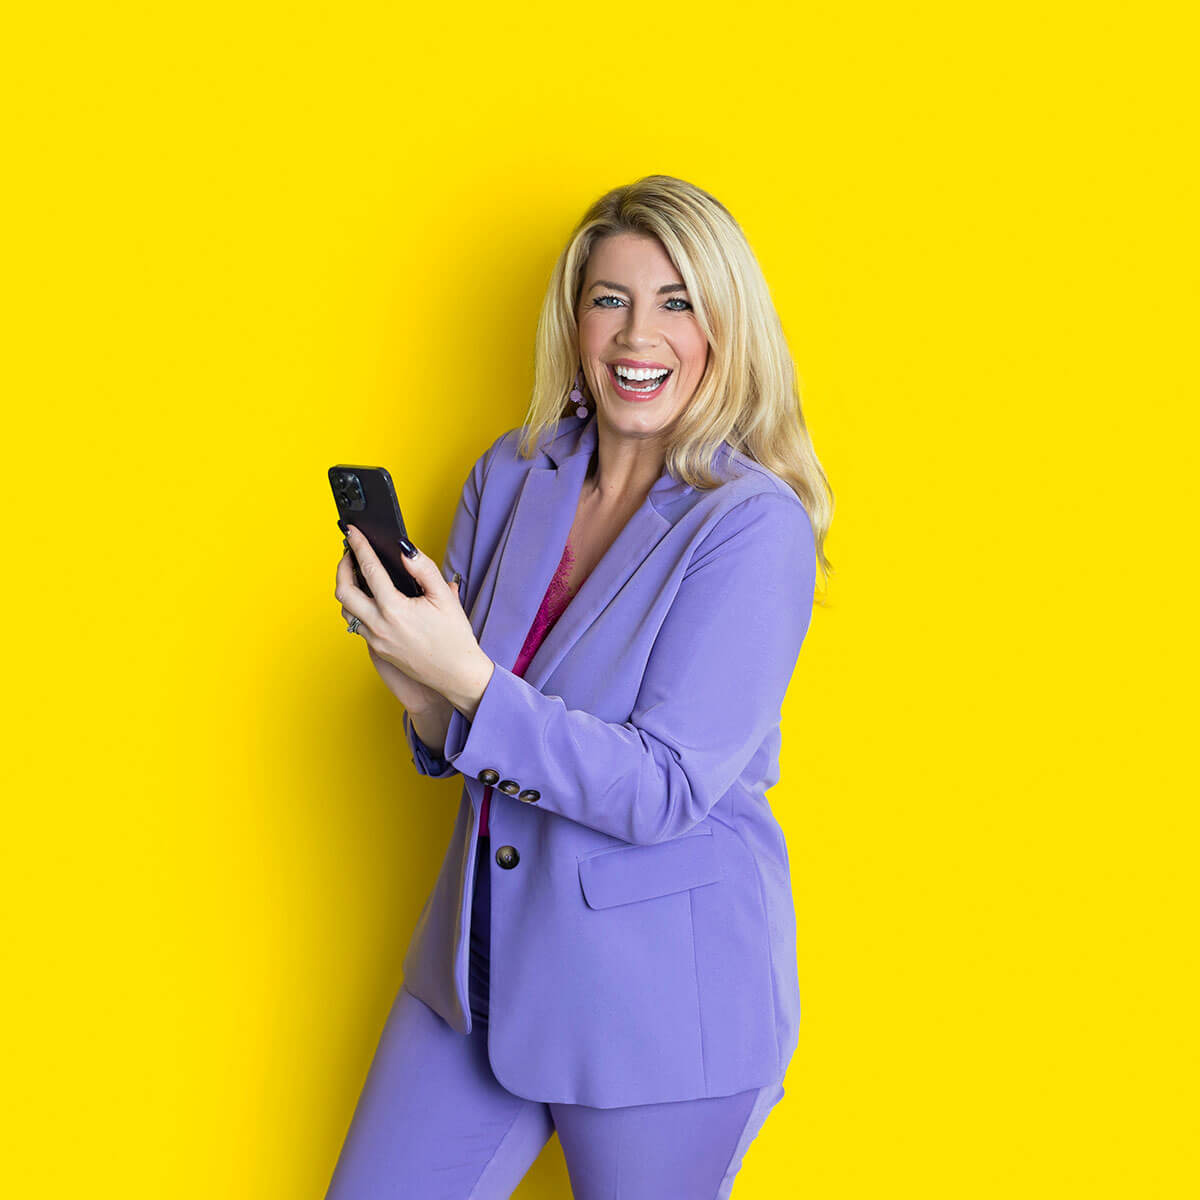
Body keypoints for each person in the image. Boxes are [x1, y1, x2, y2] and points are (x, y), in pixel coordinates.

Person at [325, 174, 834, 1199]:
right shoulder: (510, 476)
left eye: (676, 301)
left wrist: (462, 676)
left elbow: (661, 788)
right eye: (610, 298)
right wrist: (414, 676)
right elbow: (463, 732)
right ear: (575, 318)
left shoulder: (750, 525)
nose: (636, 334)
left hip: (658, 1004)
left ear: (726, 328)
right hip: (479, 973)